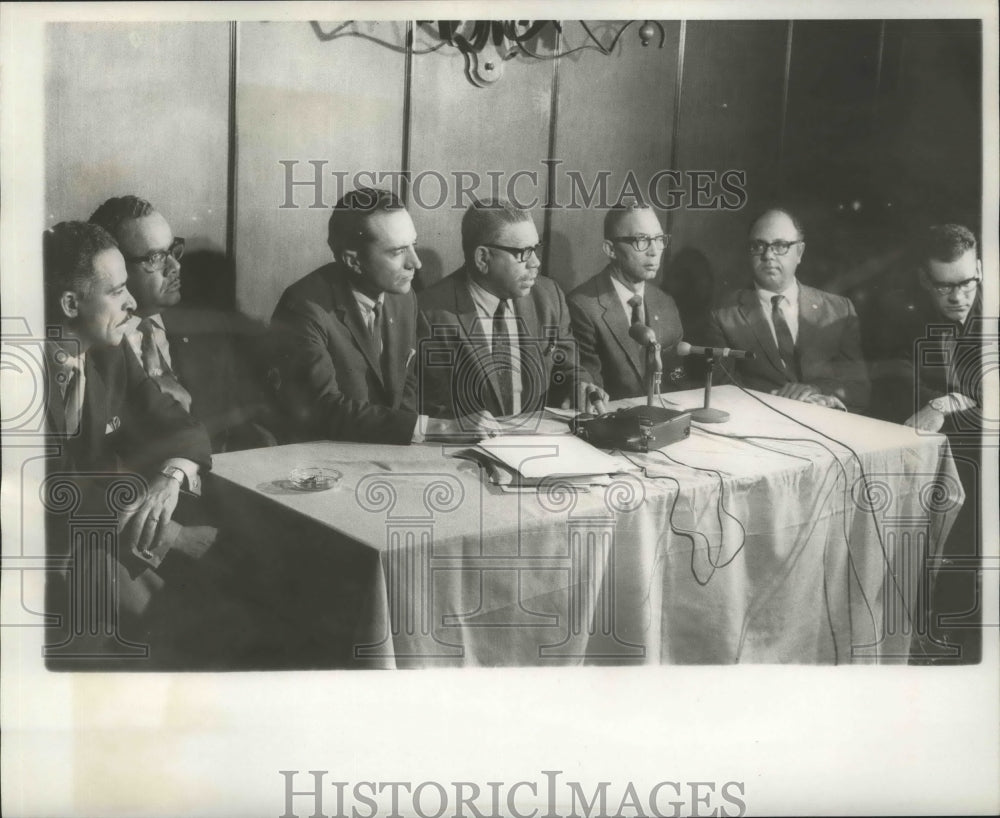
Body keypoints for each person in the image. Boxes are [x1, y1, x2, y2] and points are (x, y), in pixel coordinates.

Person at [41, 221, 217, 664]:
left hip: (97, 540)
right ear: (70, 303)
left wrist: (170, 478)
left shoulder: (110, 350)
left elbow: (182, 426)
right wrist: (172, 535)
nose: (133, 302)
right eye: (118, 291)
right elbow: (52, 494)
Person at [271, 188, 497, 443]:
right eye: (397, 252)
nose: (416, 263)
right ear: (353, 261)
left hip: (383, 452)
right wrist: (439, 428)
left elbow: (406, 389)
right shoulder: (304, 308)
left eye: (414, 244)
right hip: (317, 459)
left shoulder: (403, 297)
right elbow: (324, 409)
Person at [869, 224, 984, 664]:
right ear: (924, 280)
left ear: (979, 269)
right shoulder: (910, 320)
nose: (958, 296)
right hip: (944, 463)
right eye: (944, 286)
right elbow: (899, 387)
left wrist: (949, 402)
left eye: (966, 283)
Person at [89, 195, 275, 452]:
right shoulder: (92, 346)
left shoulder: (207, 334)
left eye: (173, 250)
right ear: (115, 266)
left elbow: (234, 423)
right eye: (155, 258)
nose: (175, 265)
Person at [417, 199, 608, 423]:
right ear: (483, 258)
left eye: (535, 249)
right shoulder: (429, 312)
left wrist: (579, 383)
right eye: (524, 253)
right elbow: (426, 405)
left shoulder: (548, 296)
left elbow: (567, 366)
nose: (535, 263)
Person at [703, 207, 870, 411]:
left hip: (828, 427)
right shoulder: (724, 315)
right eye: (758, 246)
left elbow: (860, 389)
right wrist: (779, 400)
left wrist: (817, 390)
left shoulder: (839, 310)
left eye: (780, 245)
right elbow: (722, 392)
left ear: (799, 252)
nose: (768, 256)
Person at [567, 204, 687, 400]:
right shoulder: (583, 306)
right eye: (641, 240)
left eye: (658, 239)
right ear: (611, 249)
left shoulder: (665, 303)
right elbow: (591, 391)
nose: (654, 251)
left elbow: (677, 381)